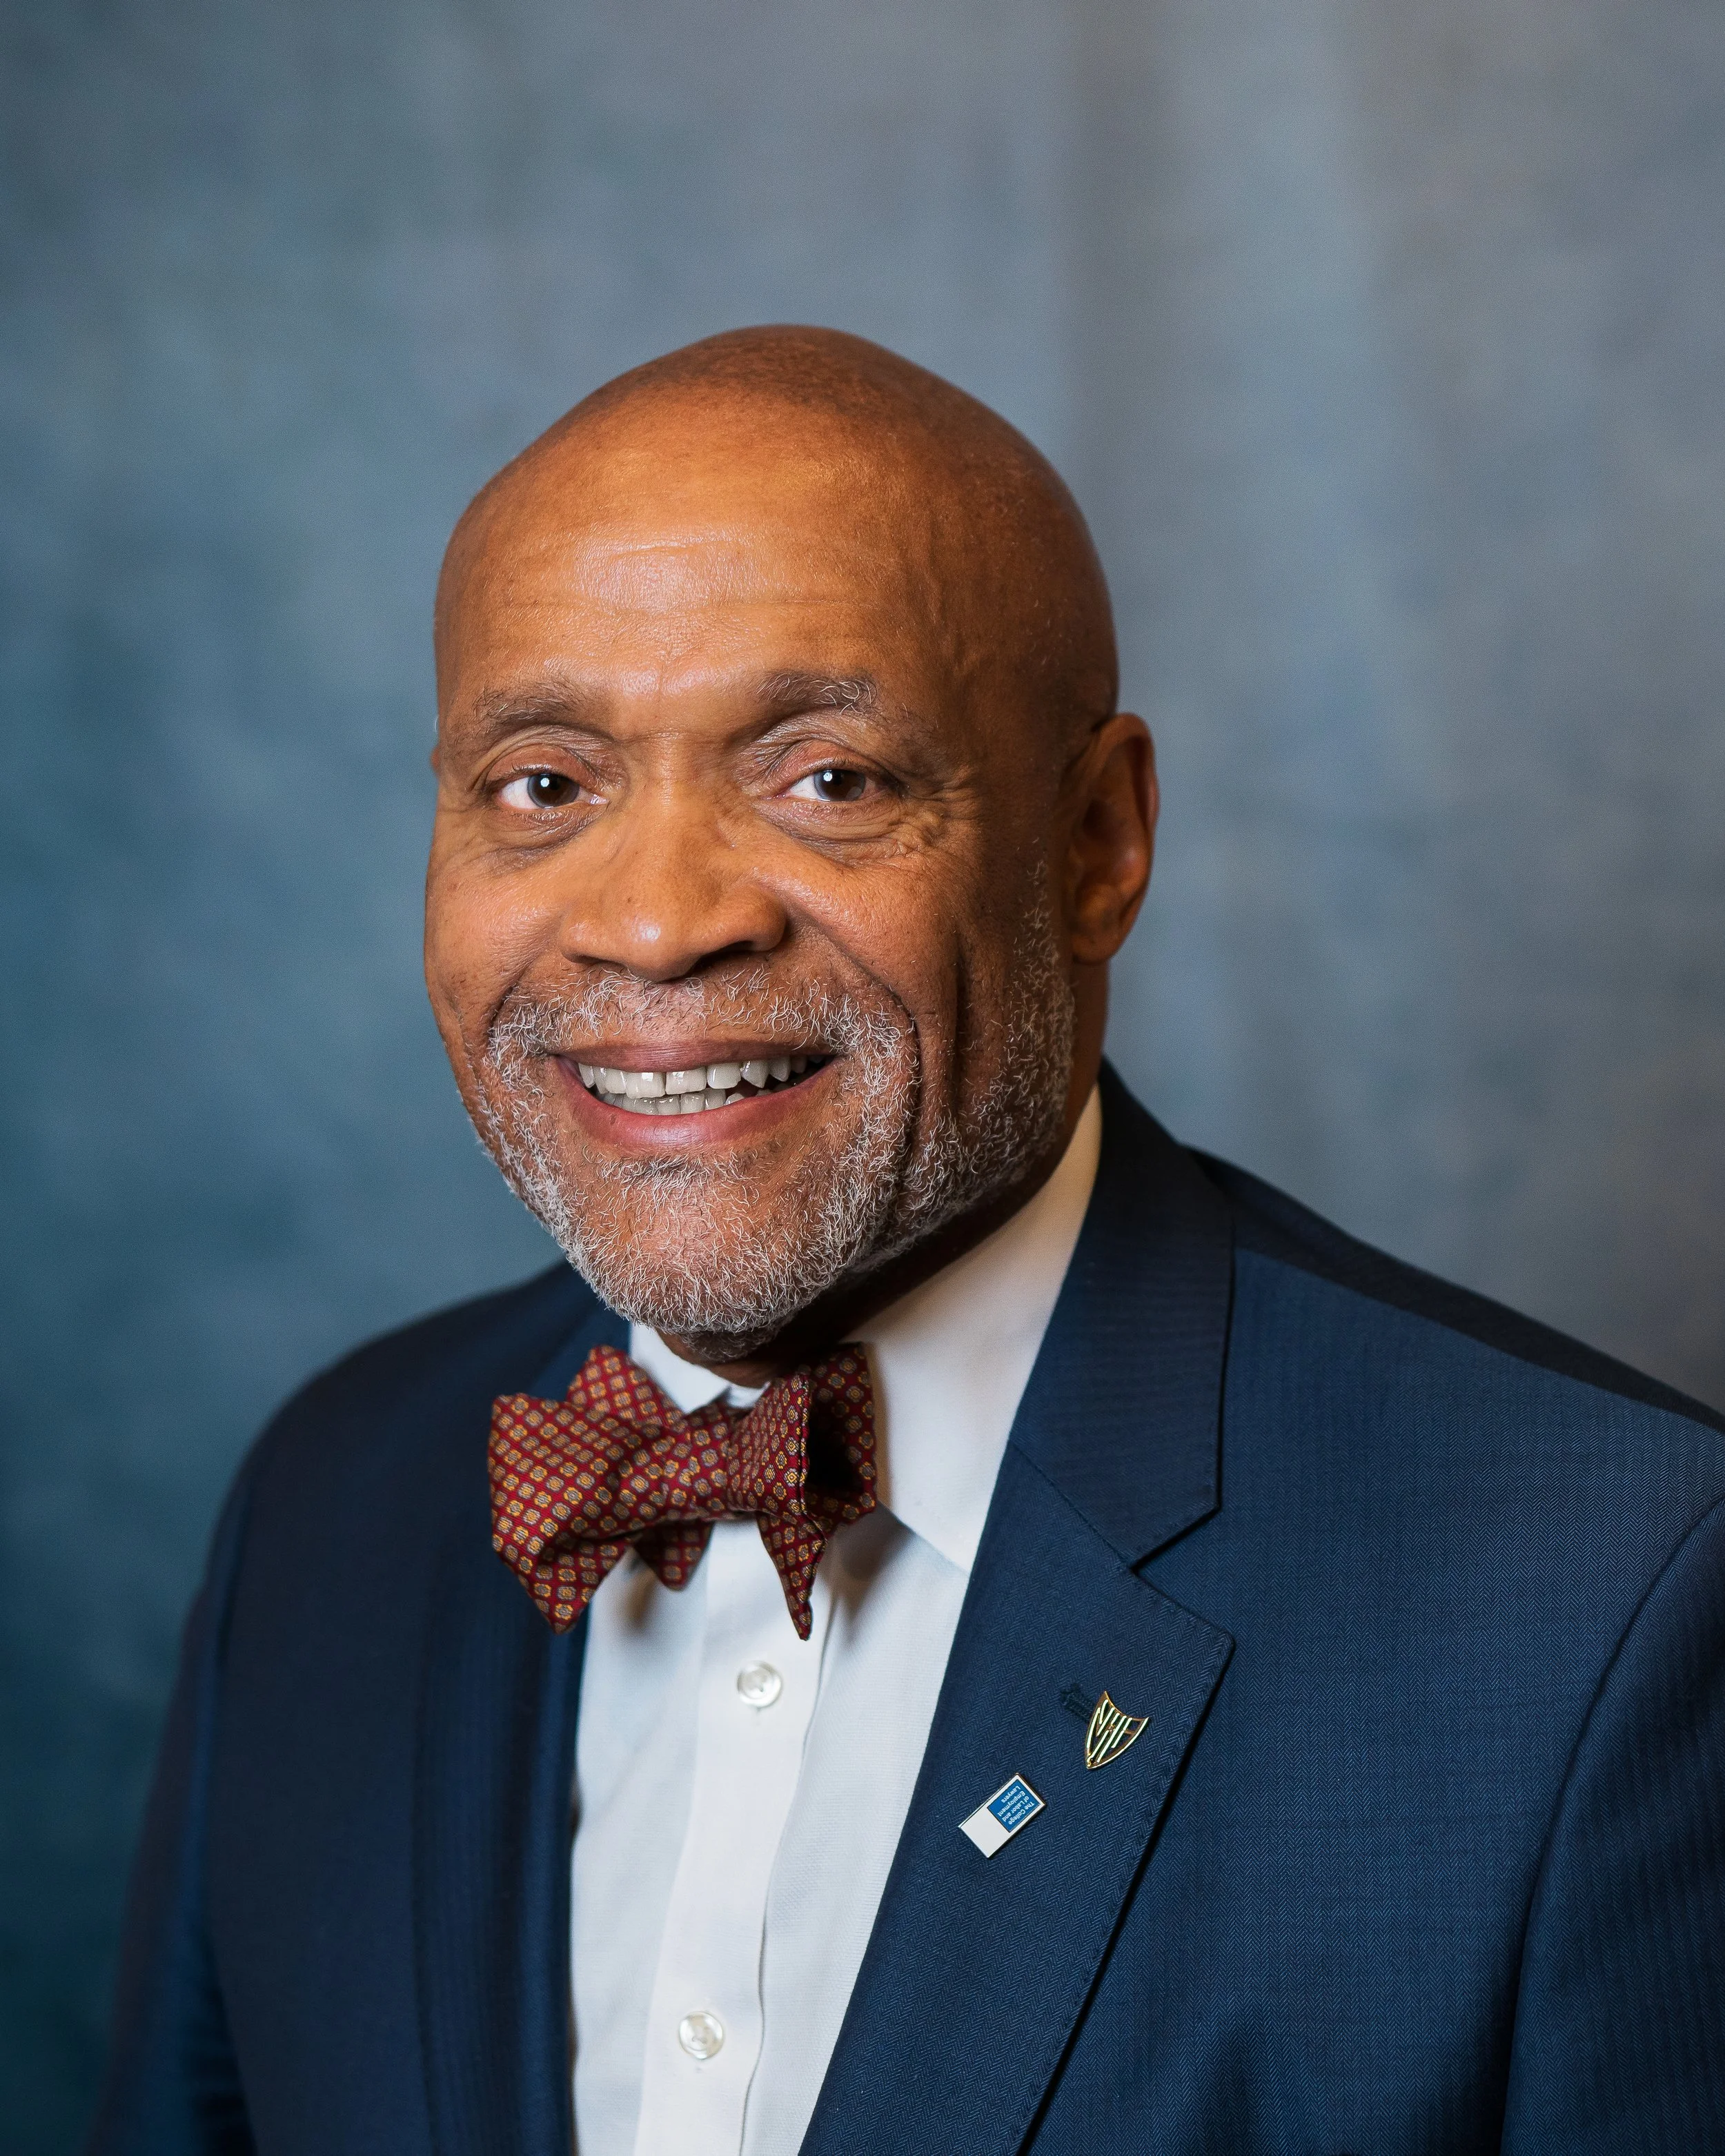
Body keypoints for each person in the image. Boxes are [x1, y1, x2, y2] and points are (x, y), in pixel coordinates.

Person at [88, 327, 1725, 2156]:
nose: (652, 923)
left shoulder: (1609, 1595)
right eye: (544, 785)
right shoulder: (336, 1500)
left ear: (1094, 840)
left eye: (830, 780)